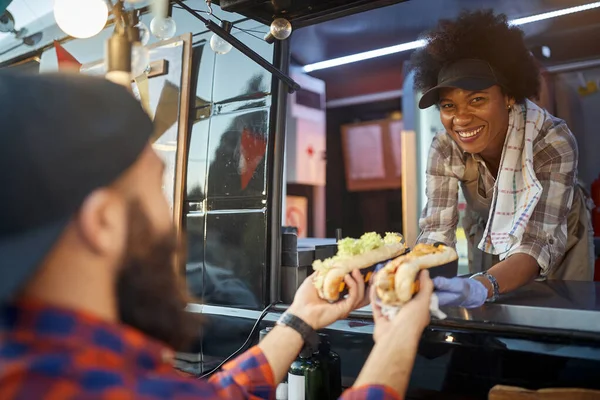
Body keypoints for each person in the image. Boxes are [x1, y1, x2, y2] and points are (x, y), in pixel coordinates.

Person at [0, 72, 433, 399]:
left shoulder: (41, 359)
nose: (172, 222)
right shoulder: (85, 385)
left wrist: (299, 319)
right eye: (156, 187)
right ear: (105, 221)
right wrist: (397, 335)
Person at [409, 10, 595, 309]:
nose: (461, 118)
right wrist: (410, 276)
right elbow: (436, 233)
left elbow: (536, 243)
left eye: (477, 99)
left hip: (555, 241)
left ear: (508, 96)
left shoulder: (551, 140)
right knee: (492, 321)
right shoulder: (445, 147)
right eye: (448, 105)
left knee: (556, 328)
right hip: (488, 233)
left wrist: (484, 285)